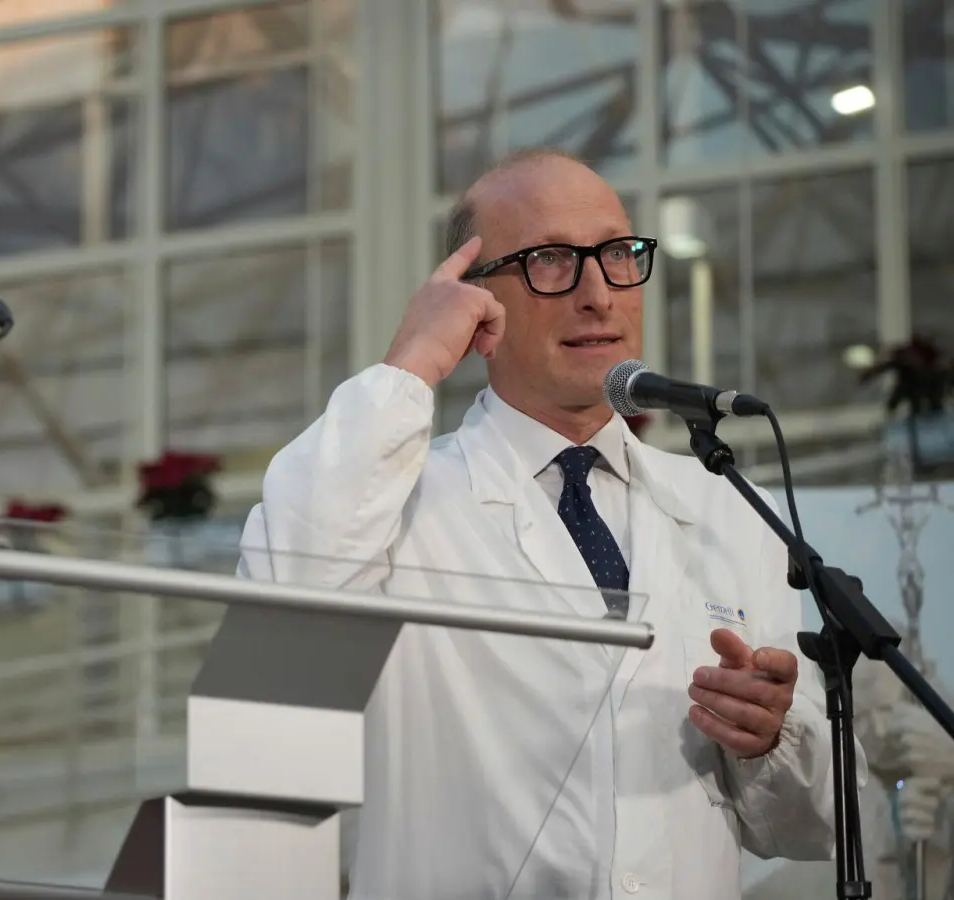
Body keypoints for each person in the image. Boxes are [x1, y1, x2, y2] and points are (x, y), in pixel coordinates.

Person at [239, 148, 853, 898]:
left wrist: (768, 739)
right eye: (553, 260)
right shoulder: (397, 499)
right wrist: (411, 365)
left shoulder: (726, 505)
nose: (598, 294)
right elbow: (280, 613)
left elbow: (812, 827)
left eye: (619, 255)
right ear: (474, 305)